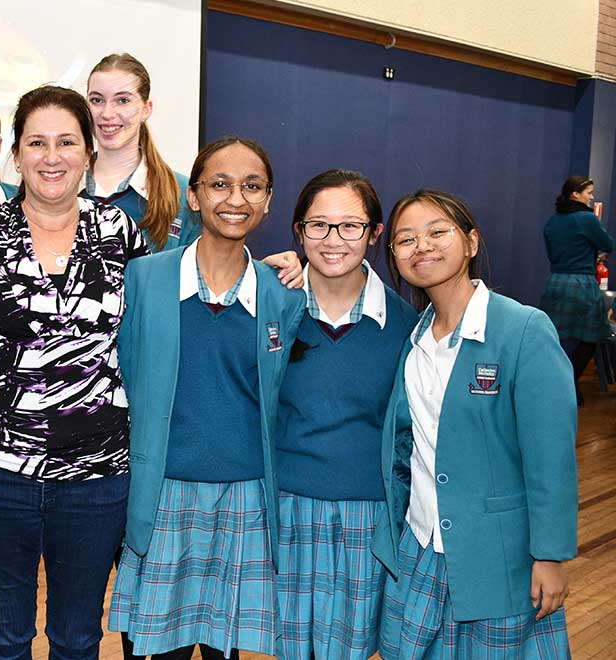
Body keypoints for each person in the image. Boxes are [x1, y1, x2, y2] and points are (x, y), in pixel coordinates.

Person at [0, 84, 148, 660]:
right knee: (3, 636)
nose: (51, 155)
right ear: (15, 155)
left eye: (67, 141)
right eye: (36, 142)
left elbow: (152, 329)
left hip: (98, 472)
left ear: (88, 153)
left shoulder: (119, 231)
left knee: (77, 637)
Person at [110, 136, 306, 660]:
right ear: (193, 197)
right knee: (156, 650)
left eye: (251, 186)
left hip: (244, 497)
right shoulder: (143, 279)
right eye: (219, 184)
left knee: (225, 652)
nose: (234, 198)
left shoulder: (284, 293)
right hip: (163, 492)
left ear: (268, 200)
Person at [375, 190, 576, 659]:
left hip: (499, 560)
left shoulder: (523, 329)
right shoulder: (413, 337)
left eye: (437, 232)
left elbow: (551, 457)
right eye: (405, 239)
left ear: (470, 242)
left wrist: (549, 555)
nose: (421, 246)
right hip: (420, 548)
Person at [273, 170, 418, 660]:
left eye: (350, 226)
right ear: (298, 232)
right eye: (318, 225)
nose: (333, 240)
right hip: (285, 509)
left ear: (375, 234)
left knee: (350, 650)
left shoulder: (406, 326)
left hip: (367, 516)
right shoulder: (270, 307)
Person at [84, 53, 200, 252]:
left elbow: (211, 273)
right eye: (97, 100)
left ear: (147, 108)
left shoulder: (183, 195)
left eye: (122, 101)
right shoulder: (61, 186)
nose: (107, 113)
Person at [540, 175, 614, 404]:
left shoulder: (553, 222)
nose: (592, 197)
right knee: (593, 336)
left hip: (556, 283)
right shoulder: (587, 219)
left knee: (555, 339)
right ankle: (569, 383)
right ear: (576, 194)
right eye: (589, 193)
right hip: (582, 284)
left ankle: (557, 383)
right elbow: (608, 244)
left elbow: (552, 252)